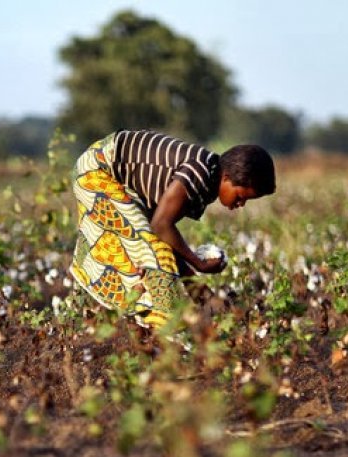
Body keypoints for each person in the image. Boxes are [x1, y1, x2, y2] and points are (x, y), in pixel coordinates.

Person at [69, 129, 275, 328]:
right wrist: (197, 263)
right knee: (153, 256)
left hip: (108, 170)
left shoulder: (208, 178)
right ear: (227, 177)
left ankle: (104, 321)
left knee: (150, 253)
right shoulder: (200, 172)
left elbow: (163, 234)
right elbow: (161, 225)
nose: (240, 205)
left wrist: (200, 292)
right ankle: (164, 333)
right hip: (98, 170)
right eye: (240, 197)